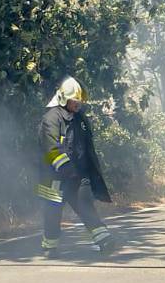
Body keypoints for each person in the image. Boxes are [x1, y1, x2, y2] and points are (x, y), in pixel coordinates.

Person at [37, 77, 114, 256]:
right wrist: (67, 171)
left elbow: (86, 148)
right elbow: (51, 148)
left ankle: (104, 239)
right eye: (74, 100)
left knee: (86, 205)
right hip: (53, 178)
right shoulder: (51, 118)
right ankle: (50, 246)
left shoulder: (79, 119)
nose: (78, 104)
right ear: (64, 98)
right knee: (52, 214)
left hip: (77, 176)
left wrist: (87, 172)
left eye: (79, 100)